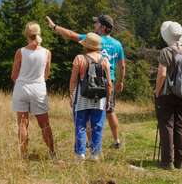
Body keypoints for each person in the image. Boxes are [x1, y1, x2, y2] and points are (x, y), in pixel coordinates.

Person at [46, 14, 125, 148]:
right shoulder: (117, 44)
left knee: (88, 110)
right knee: (110, 111)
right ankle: (116, 141)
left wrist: (54, 27)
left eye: (96, 23)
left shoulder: (92, 39)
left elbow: (71, 35)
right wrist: (120, 82)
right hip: (108, 82)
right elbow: (122, 65)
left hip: (90, 81)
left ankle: (89, 142)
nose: (94, 25)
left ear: (102, 27)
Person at [10, 22, 55, 158]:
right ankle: (52, 152)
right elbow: (46, 74)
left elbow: (14, 75)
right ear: (39, 33)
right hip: (39, 89)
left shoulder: (21, 52)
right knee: (44, 124)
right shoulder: (47, 53)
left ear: (26, 35)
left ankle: (23, 154)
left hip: (22, 88)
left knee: (22, 124)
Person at [154, 21, 182, 170]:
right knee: (179, 126)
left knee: (167, 126)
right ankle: (180, 161)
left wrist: (157, 91)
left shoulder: (166, 52)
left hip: (167, 94)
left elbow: (162, 74)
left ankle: (167, 161)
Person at [70, 32, 112, 161]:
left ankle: (80, 153)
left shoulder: (79, 58)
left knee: (80, 125)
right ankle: (95, 154)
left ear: (86, 46)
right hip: (99, 98)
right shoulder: (105, 60)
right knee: (97, 125)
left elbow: (73, 81)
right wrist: (108, 99)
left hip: (82, 97)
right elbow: (109, 83)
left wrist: (71, 95)